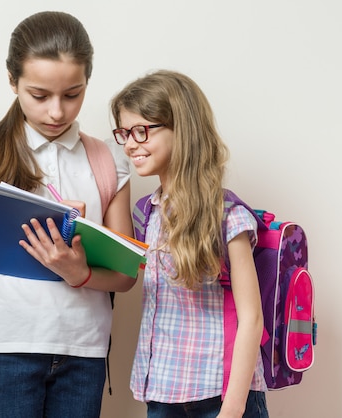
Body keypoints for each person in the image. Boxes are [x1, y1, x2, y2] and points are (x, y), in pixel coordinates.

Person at [0, 11, 135, 418]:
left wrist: (77, 270)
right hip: (6, 346)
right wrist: (34, 233)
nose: (57, 112)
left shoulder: (108, 159)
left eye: (72, 94)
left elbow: (127, 273)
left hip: (84, 348)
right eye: (39, 95)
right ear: (13, 82)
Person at [110, 70, 269, 418]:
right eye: (124, 132)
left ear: (181, 129)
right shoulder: (147, 214)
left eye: (142, 130)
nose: (130, 144)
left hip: (219, 396)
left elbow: (252, 318)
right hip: (164, 393)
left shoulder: (226, 215)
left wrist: (233, 408)